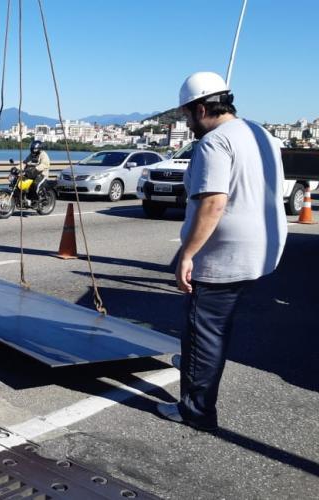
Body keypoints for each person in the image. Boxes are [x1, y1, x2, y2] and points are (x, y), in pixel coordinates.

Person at [156, 72, 287, 431]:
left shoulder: (214, 143)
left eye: (186, 116)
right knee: (215, 326)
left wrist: (186, 254)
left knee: (204, 329)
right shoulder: (259, 133)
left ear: (201, 108)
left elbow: (213, 203)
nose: (187, 122)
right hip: (263, 248)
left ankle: (195, 411)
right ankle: (199, 365)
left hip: (224, 254)